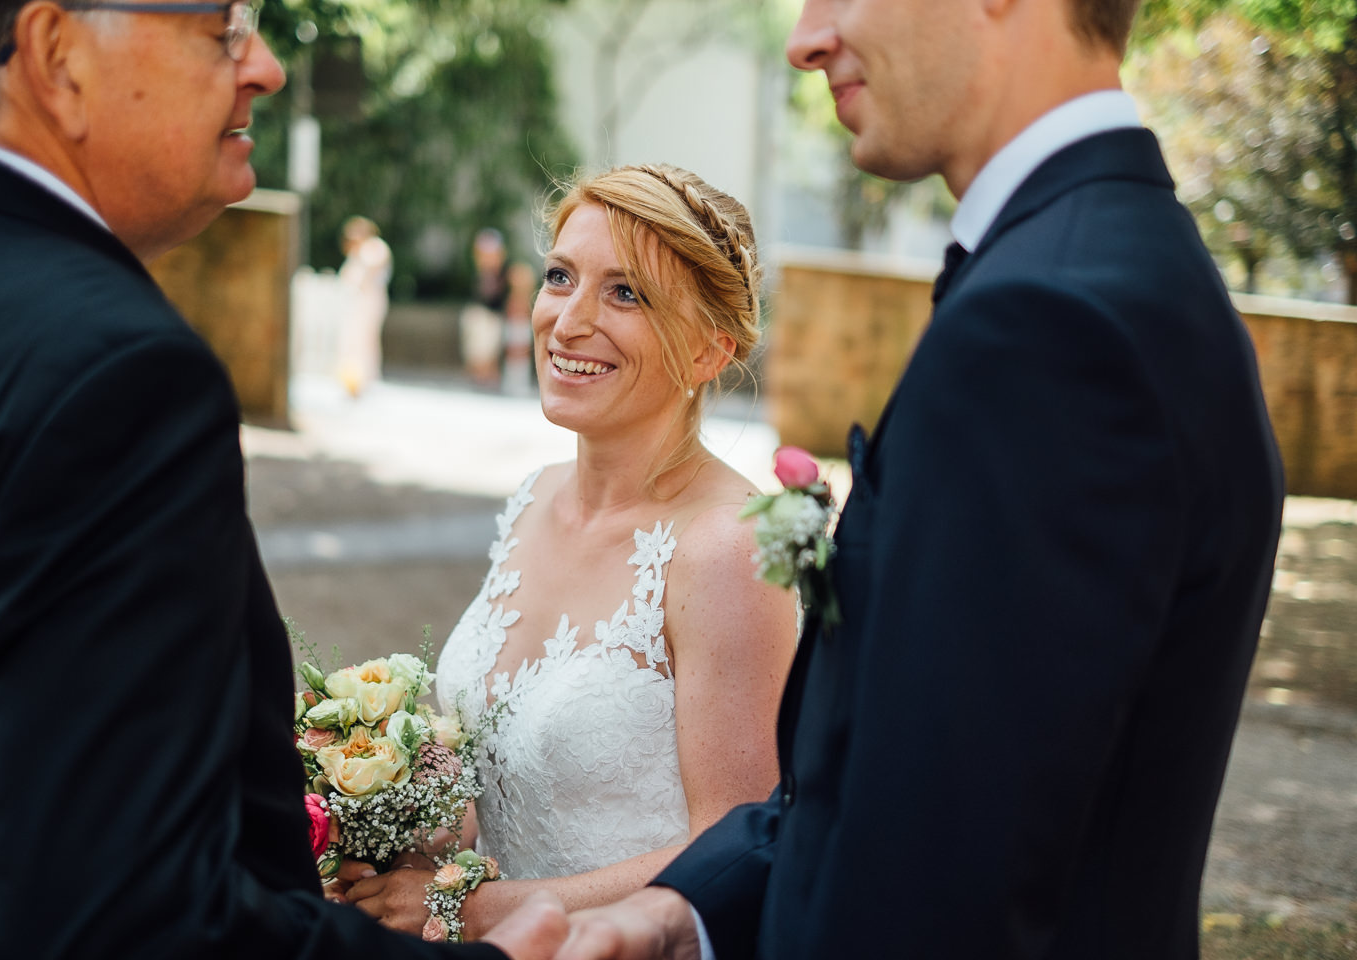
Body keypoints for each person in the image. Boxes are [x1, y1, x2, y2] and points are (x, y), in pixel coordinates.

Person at [550, 0, 1285, 958]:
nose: (806, 39)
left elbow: (948, 888)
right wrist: (683, 910)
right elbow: (925, 771)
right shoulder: (1119, 266)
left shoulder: (1050, 323)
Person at [0, 2, 563, 958]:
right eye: (221, 28)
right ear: (58, 55)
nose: (262, 66)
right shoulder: (115, 373)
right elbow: (121, 918)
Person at [336, 165, 797, 939]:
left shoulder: (729, 545)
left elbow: (737, 849)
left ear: (711, 350)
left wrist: (467, 910)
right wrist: (388, 826)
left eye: (626, 294)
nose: (570, 320)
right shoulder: (536, 494)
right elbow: (508, 782)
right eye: (560, 276)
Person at [461, 228, 532, 389]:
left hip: (504, 318)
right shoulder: (483, 274)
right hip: (488, 318)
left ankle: (492, 373)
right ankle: (484, 372)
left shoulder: (510, 271)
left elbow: (522, 290)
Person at [337, 214, 394, 397]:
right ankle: (352, 380)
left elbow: (370, 270)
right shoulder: (357, 253)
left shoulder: (374, 248)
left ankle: (366, 379)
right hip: (356, 303)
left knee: (365, 341)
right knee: (353, 341)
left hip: (369, 301)